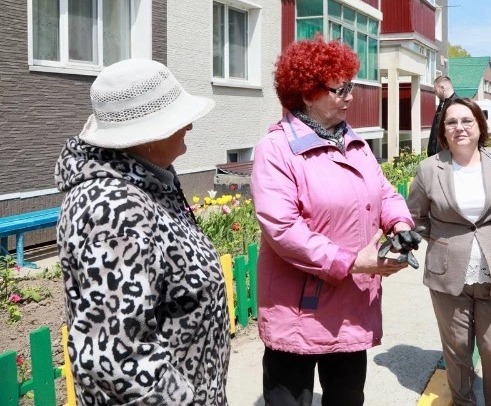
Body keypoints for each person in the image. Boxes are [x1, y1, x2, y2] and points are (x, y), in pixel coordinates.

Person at [250, 37, 414, 406]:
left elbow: (384, 192)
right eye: (341, 89)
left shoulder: (353, 142)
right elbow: (283, 229)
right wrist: (353, 262)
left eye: (351, 86)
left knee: (347, 397)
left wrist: (400, 224)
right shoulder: (275, 149)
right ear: (308, 93)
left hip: (350, 305)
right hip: (298, 310)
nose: (350, 96)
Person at [55, 59, 229, 405]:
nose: (190, 126)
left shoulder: (150, 182)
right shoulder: (113, 209)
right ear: (146, 137)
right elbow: (117, 359)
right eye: (179, 120)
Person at [407, 98, 491, 406]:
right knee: (457, 350)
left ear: (480, 125)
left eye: (467, 120)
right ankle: (463, 402)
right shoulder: (429, 169)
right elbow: (414, 218)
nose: (459, 128)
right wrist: (438, 241)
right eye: (451, 122)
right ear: (443, 131)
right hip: (447, 274)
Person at [427, 75, 456, 156]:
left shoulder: (457, 105)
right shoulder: (442, 103)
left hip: (447, 156)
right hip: (437, 155)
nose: (435, 93)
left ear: (442, 88)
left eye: (435, 90)